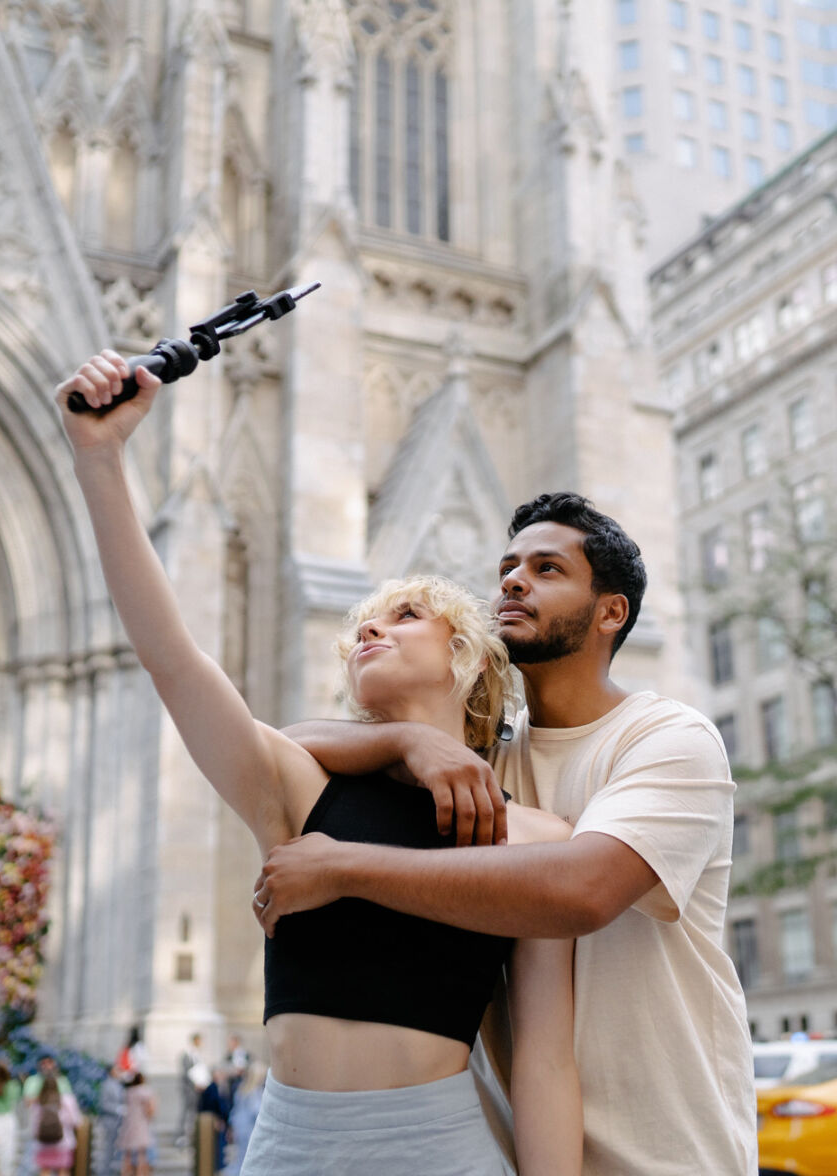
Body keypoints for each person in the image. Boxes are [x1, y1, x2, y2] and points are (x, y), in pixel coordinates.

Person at [56, 354, 581, 1176]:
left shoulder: (540, 835)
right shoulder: (301, 786)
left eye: (405, 617)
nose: (372, 631)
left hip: (441, 1150)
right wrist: (100, 460)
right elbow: (173, 658)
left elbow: (545, 1063)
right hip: (287, 1148)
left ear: (470, 659)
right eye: (362, 628)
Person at [255, 492, 757, 1176]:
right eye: (509, 567)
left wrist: (342, 868)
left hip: (665, 1153)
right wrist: (404, 739)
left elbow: (583, 890)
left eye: (548, 569)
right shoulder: (479, 761)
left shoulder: (669, 738)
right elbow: (290, 746)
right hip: (522, 1153)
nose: (514, 581)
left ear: (611, 611)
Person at [30, 1078, 80, 1176]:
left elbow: (34, 1124)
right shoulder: (66, 1100)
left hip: (43, 1144)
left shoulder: (38, 1101)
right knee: (63, 1170)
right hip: (64, 1142)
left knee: (45, 1170)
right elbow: (75, 1121)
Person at [225, 1065, 263, 1176]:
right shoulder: (254, 1091)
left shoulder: (241, 1088)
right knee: (247, 1159)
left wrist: (231, 1126)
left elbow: (234, 1111)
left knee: (241, 1157)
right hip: (249, 1129)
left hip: (239, 1127)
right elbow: (256, 1111)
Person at [117, 1072, 156, 1176]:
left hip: (128, 1124)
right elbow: (151, 1109)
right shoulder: (144, 1091)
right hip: (140, 1124)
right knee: (141, 1155)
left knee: (127, 1156)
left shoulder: (129, 1092)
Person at [173, 1034, 205, 1148]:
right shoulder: (187, 1054)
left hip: (196, 1089)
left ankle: (190, 1134)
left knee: (193, 1112)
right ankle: (180, 1135)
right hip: (189, 1089)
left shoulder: (197, 1054)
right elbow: (187, 1072)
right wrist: (195, 1083)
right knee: (186, 1112)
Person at [196, 1070, 229, 1176]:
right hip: (213, 1123)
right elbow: (211, 1106)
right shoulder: (212, 1089)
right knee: (214, 1151)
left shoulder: (218, 1088)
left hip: (218, 1122)